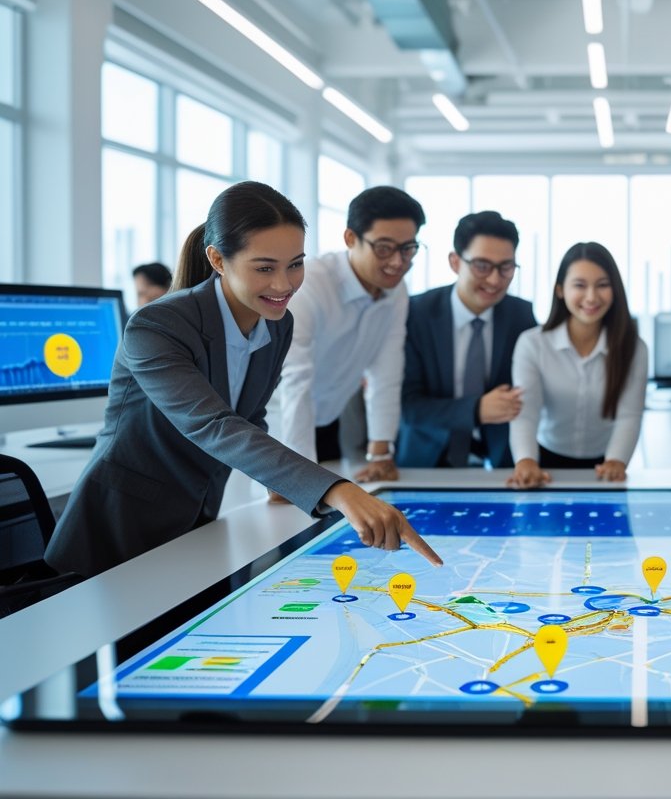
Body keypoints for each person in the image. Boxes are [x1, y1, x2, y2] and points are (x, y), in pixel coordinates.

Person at [45, 182, 442, 578]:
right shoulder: (157, 324)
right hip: (116, 533)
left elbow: (250, 414)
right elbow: (212, 423)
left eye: (295, 264)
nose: (284, 285)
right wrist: (335, 489)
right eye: (265, 268)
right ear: (218, 259)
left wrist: (282, 479)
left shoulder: (277, 323)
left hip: (196, 526)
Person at [270, 186, 423, 492]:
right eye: (384, 248)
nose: (397, 262)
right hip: (274, 423)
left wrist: (381, 451)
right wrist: (296, 476)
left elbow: (387, 372)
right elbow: (295, 380)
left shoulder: (396, 291)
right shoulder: (310, 284)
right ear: (351, 239)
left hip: (327, 419)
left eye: (408, 249)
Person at [396, 210, 536, 468]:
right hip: (424, 461)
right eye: (482, 266)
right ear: (455, 262)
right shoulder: (416, 313)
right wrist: (476, 410)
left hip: (501, 464)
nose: (495, 280)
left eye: (506, 267)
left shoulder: (522, 316)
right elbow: (408, 405)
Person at [507, 242, 648, 488]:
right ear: (560, 290)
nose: (592, 297)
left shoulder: (634, 348)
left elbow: (629, 415)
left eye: (602, 285)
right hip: (545, 460)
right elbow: (526, 413)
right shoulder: (532, 344)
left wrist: (617, 461)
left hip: (607, 464)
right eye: (580, 285)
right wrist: (525, 460)